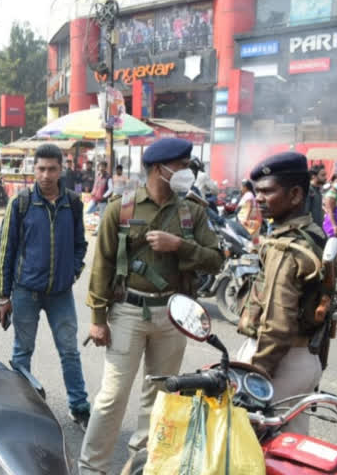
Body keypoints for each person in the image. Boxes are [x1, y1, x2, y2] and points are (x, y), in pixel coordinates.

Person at [78, 138, 223, 475]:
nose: (188, 171)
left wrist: (181, 246)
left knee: (160, 396)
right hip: (128, 311)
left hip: (174, 314)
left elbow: (216, 260)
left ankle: (144, 464)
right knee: (112, 396)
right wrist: (98, 319)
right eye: (184, 165)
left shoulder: (192, 211)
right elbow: (101, 265)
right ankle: (91, 468)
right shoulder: (121, 208)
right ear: (161, 168)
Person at [0, 143, 91, 428]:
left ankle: (79, 406)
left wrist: (72, 272)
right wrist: (4, 296)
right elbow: (6, 249)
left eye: (51, 169)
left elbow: (80, 245)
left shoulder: (72, 203)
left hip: (60, 295)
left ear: (61, 170)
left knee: (70, 351)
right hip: (26, 291)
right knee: (22, 352)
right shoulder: (21, 203)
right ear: (33, 169)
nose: (46, 175)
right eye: (41, 169)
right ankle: (22, 406)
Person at [236, 152, 326, 434]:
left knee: (247, 446)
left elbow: (277, 324)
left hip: (279, 362)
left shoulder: (284, 248)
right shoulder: (313, 233)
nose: (259, 198)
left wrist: (255, 375)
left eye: (267, 191)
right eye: (257, 191)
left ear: (296, 194)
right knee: (292, 449)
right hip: (306, 358)